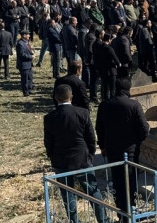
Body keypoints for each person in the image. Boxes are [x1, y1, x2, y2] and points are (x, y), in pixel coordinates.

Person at [43, 85, 107, 223]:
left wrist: (53, 157)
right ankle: (103, 220)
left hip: (61, 162)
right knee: (94, 193)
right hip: (82, 160)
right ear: (71, 97)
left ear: (55, 98)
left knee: (68, 196)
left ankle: (74, 221)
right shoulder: (82, 113)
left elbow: (48, 142)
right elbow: (91, 138)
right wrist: (89, 154)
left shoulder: (50, 118)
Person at [95, 78, 149, 220]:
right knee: (130, 182)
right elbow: (144, 129)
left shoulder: (104, 105)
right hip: (130, 151)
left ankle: (121, 213)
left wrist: (103, 146)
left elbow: (99, 128)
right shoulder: (134, 105)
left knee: (118, 183)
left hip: (112, 150)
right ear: (128, 90)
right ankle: (130, 212)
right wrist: (137, 141)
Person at [93, 33, 121, 102]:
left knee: (105, 87)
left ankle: (105, 100)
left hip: (103, 70)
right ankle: (112, 101)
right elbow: (116, 59)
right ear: (109, 39)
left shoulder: (99, 47)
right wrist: (119, 64)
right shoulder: (109, 48)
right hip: (111, 71)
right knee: (112, 88)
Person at [16, 29, 34, 97]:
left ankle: (29, 89)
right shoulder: (20, 43)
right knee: (24, 79)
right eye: (27, 34)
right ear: (24, 35)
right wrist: (30, 57)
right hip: (23, 64)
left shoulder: (27, 42)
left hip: (29, 64)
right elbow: (22, 54)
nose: (29, 36)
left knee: (30, 77)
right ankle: (25, 91)